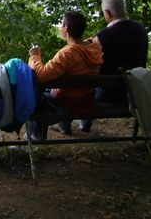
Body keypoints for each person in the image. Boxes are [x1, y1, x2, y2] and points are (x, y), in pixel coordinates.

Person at [77, 0, 149, 132]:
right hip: (136, 91)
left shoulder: (104, 35)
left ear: (107, 13)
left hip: (110, 93)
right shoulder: (140, 29)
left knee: (82, 90)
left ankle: (81, 122)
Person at [28, 11, 103, 139]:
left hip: (68, 101)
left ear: (66, 28)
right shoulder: (95, 49)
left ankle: (36, 134)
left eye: (62, 25)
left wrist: (35, 56)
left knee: (39, 94)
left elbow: (41, 75)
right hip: (87, 98)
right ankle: (64, 125)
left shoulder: (67, 54)